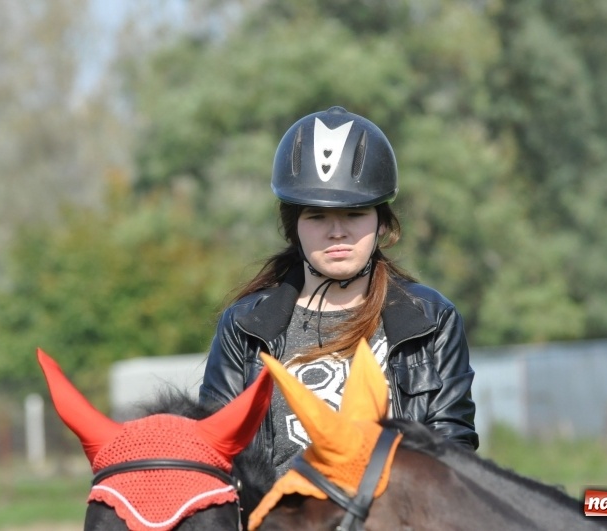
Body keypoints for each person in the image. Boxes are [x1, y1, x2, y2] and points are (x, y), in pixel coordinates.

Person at [199, 106, 478, 476]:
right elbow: (213, 454)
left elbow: (452, 454)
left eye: (354, 214)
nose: (337, 232)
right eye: (316, 216)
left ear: (381, 222)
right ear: (292, 226)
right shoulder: (245, 326)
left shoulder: (431, 319)